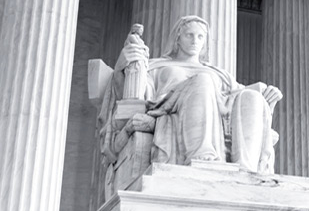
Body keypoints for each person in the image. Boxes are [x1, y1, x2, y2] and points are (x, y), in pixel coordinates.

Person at [103, 16, 282, 175]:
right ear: (178, 38)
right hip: (170, 108)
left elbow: (237, 97)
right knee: (202, 81)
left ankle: (246, 171)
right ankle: (202, 157)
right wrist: (122, 67)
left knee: (252, 97)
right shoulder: (157, 67)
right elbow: (131, 96)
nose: (195, 40)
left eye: (200, 36)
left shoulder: (219, 74)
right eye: (189, 35)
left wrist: (268, 99)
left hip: (220, 112)